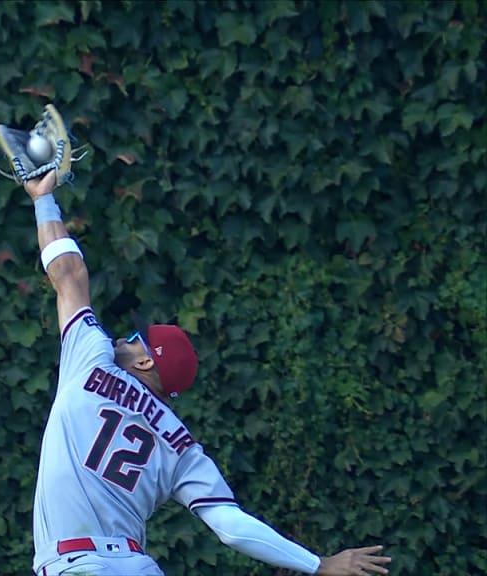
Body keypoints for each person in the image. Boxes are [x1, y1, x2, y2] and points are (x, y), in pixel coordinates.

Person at [23, 170, 392, 576]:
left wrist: (44, 199)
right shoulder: (181, 446)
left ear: (146, 362)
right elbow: (232, 527)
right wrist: (318, 564)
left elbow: (70, 276)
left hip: (77, 564)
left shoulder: (90, 358)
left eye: (135, 338)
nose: (123, 340)